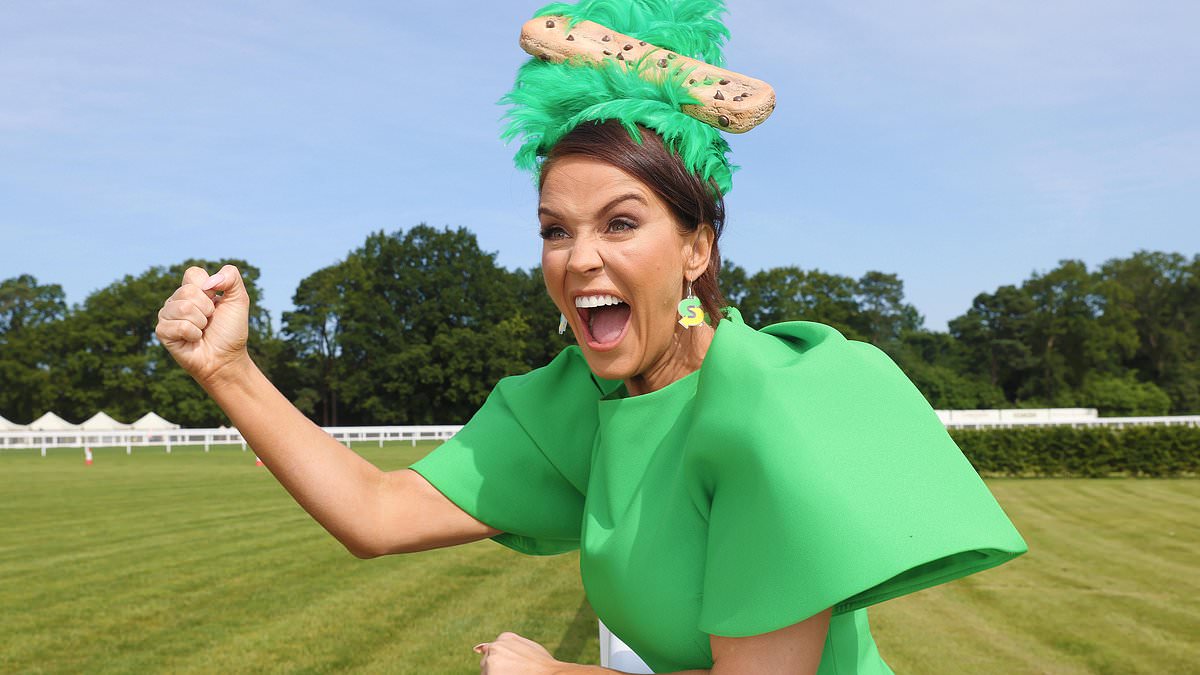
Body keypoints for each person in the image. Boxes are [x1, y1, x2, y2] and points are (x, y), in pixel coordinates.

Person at [155, 2, 1027, 673]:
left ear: (696, 247)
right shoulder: (582, 399)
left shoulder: (770, 406)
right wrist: (226, 368)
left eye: (619, 224)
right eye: (554, 230)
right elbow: (377, 513)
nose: (578, 260)